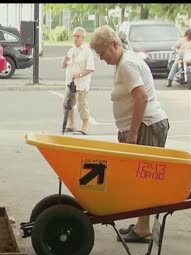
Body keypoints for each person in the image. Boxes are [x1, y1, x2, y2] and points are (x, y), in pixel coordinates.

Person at [90, 25, 170, 243]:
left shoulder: (126, 64)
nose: (101, 58)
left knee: (143, 179)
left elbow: (141, 97)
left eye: (102, 52)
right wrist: (124, 127)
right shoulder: (123, 61)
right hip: (143, 125)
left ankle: (143, 229)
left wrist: (133, 133)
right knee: (139, 178)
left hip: (147, 125)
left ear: (114, 45)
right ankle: (142, 224)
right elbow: (128, 98)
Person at [61, 26, 95, 134]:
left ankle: (85, 126)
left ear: (83, 38)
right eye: (74, 36)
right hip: (70, 83)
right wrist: (65, 61)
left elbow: (90, 68)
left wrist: (79, 74)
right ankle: (71, 124)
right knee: (67, 104)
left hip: (81, 84)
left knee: (82, 105)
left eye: (78, 36)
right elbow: (64, 66)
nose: (75, 38)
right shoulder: (71, 50)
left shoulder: (87, 51)